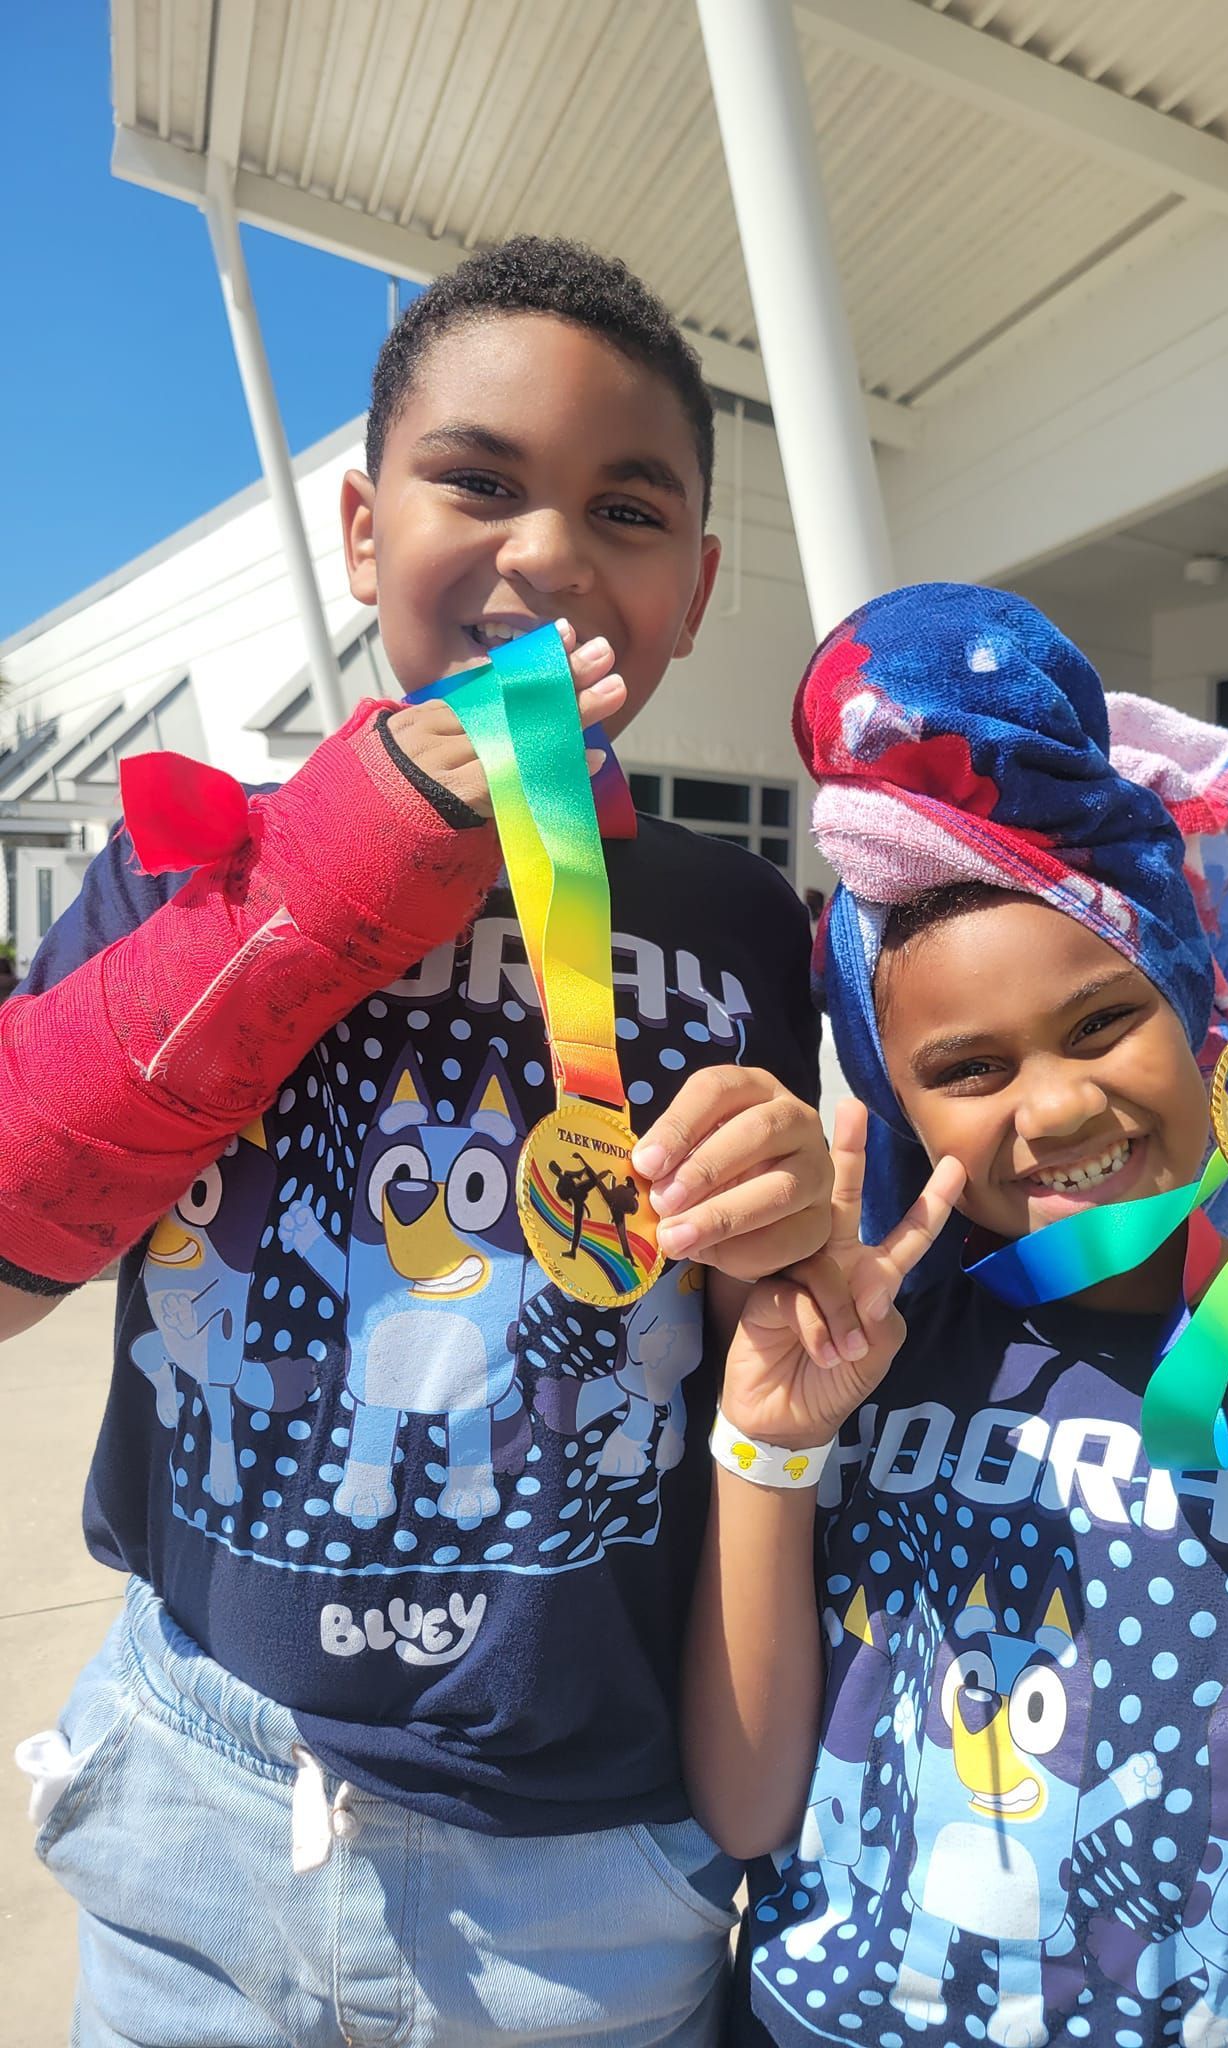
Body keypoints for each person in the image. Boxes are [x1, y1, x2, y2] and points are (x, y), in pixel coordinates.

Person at [3, 238, 850, 2047]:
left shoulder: (752, 931)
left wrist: (801, 1199)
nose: (546, 552)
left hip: (591, 1877)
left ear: (694, 590)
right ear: (363, 529)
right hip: (203, 1813)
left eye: (624, 508)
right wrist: (319, 884)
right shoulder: (185, 865)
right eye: (475, 481)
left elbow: (858, 1310)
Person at [683, 583, 1228, 2048]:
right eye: (968, 1066)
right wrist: (762, 1447)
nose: (1061, 1102)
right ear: (898, 1103)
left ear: (1197, 996)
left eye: (1101, 1021)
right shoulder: (868, 1357)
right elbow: (749, 1799)